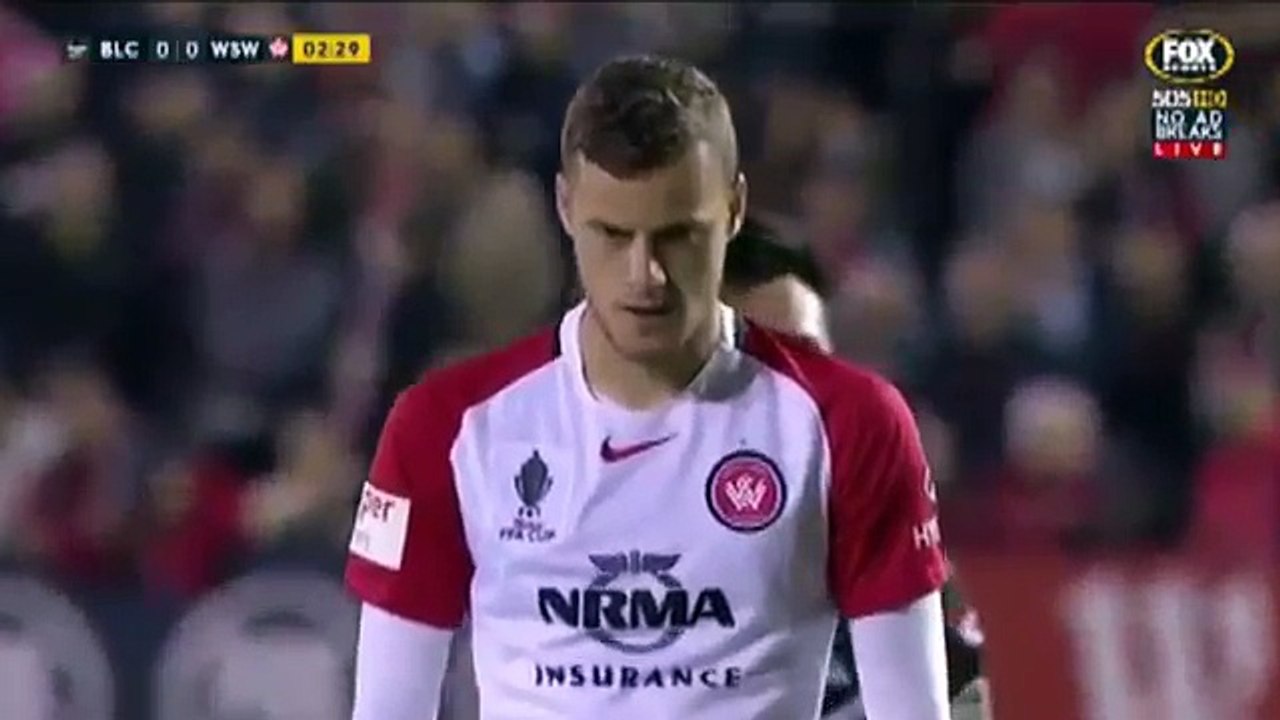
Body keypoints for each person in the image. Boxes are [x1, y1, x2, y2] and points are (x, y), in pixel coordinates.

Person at [346, 55, 949, 720]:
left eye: (677, 236)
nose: (645, 275)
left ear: (735, 209)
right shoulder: (448, 427)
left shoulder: (848, 425)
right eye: (613, 235)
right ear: (565, 208)